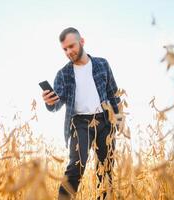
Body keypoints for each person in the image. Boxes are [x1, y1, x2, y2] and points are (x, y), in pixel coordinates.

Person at [42, 27, 121, 200]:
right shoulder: (63, 74)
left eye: (72, 46)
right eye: (65, 49)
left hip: (105, 121)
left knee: (106, 169)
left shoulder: (102, 64)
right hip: (80, 124)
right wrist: (50, 103)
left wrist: (119, 120)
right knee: (76, 166)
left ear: (82, 42)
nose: (69, 51)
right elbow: (57, 102)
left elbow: (113, 93)